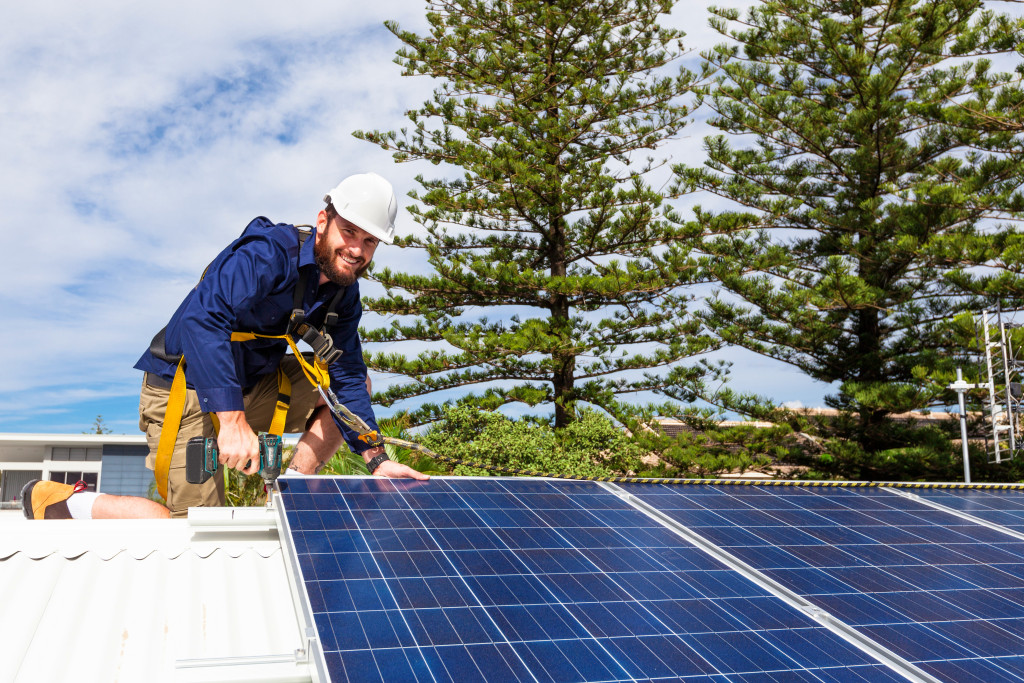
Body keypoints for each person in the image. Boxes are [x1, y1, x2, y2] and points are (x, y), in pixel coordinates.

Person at [22, 172, 428, 520]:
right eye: (350, 232)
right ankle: (63, 503)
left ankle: (291, 487)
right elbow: (203, 319)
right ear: (323, 221)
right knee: (192, 529)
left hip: (252, 384)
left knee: (355, 383)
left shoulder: (344, 295)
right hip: (186, 390)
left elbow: (347, 375)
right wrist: (232, 422)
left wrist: (377, 458)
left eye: (370, 241)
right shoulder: (267, 255)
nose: (357, 250)